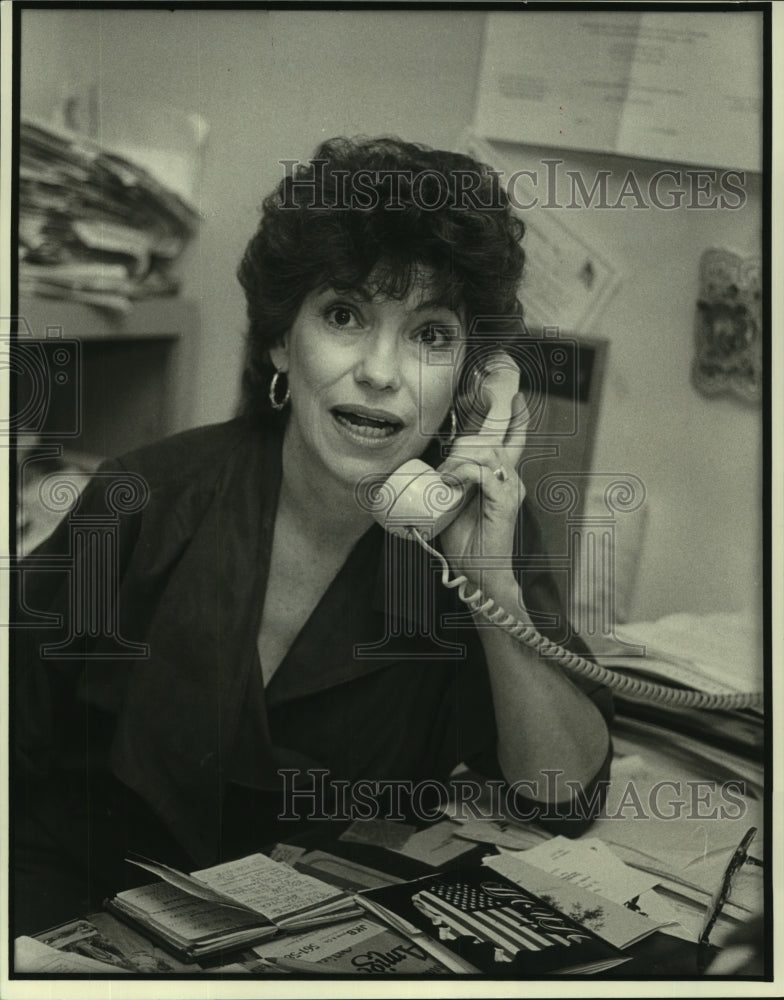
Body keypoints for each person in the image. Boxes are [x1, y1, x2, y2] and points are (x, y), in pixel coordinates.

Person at [12, 136, 612, 937]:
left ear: (470, 380)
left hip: (310, 940)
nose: (380, 371)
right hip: (77, 913)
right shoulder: (145, 495)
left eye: (431, 334)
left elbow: (562, 793)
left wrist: (491, 589)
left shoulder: (470, 532)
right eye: (344, 316)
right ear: (277, 341)